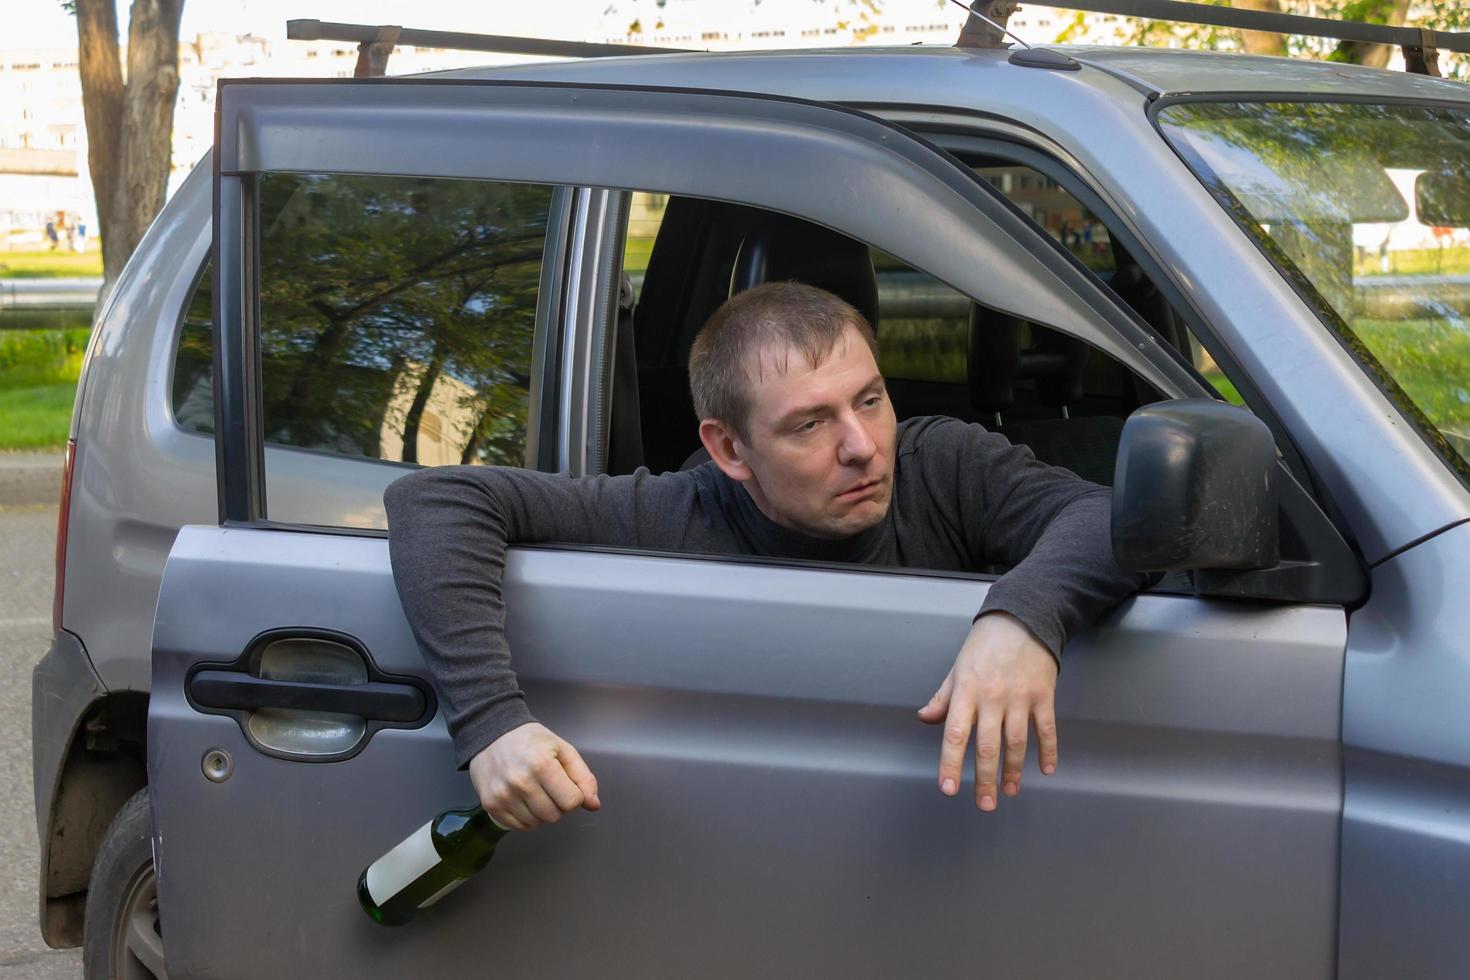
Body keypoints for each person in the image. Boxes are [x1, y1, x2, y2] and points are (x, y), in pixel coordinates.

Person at [384, 282, 1151, 831]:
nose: (861, 446)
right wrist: (491, 725)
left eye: (871, 399)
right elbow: (439, 500)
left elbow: (1111, 516)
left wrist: (1020, 619)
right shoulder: (677, 512)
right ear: (729, 448)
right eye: (810, 425)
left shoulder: (945, 464)